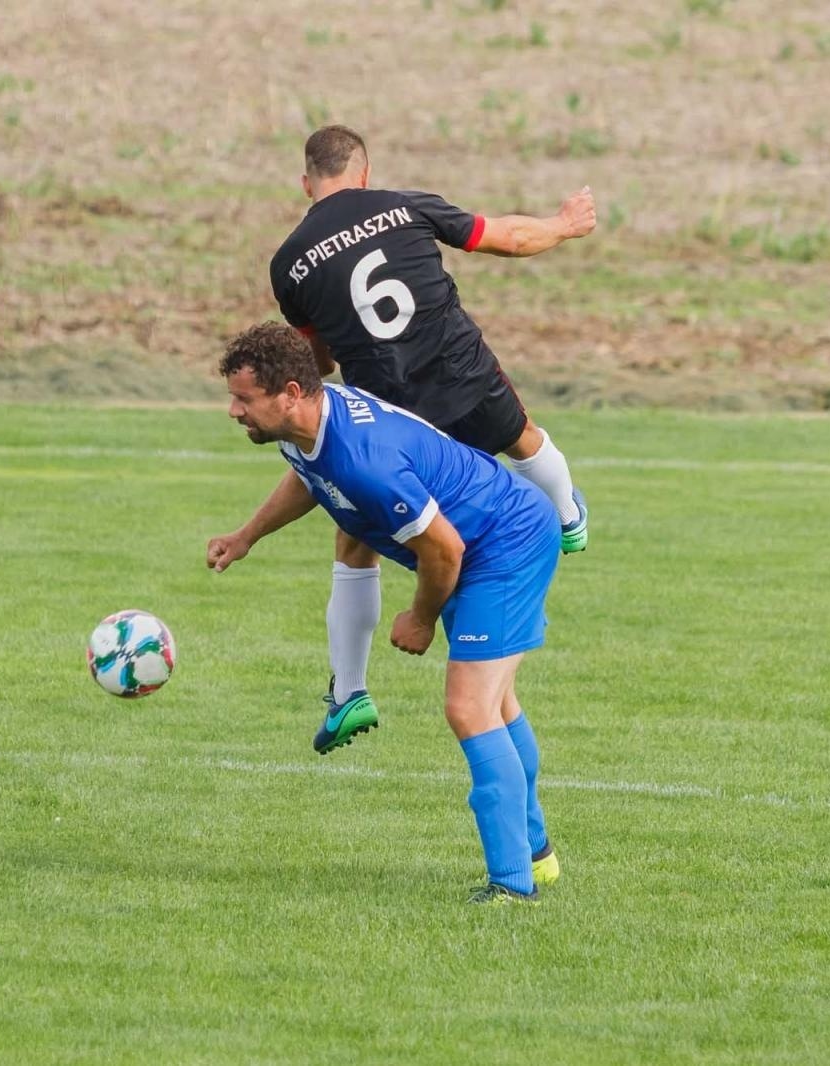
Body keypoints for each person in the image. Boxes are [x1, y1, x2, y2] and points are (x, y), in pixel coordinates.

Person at [207, 323, 563, 904]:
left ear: (291, 392)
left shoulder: (363, 461)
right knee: (495, 702)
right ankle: (537, 857)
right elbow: (308, 477)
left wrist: (420, 619)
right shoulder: (306, 427)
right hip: (488, 537)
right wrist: (249, 535)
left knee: (468, 707)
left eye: (244, 398)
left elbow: (443, 548)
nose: (233, 410)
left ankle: (511, 886)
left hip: (505, 542)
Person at [268, 124, 597, 753]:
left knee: (354, 542)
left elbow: (318, 360)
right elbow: (506, 237)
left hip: (390, 412)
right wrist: (563, 224)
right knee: (524, 439)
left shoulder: (289, 263)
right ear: (363, 173)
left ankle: (348, 692)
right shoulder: (403, 205)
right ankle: (567, 517)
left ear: (308, 184)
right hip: (462, 374)